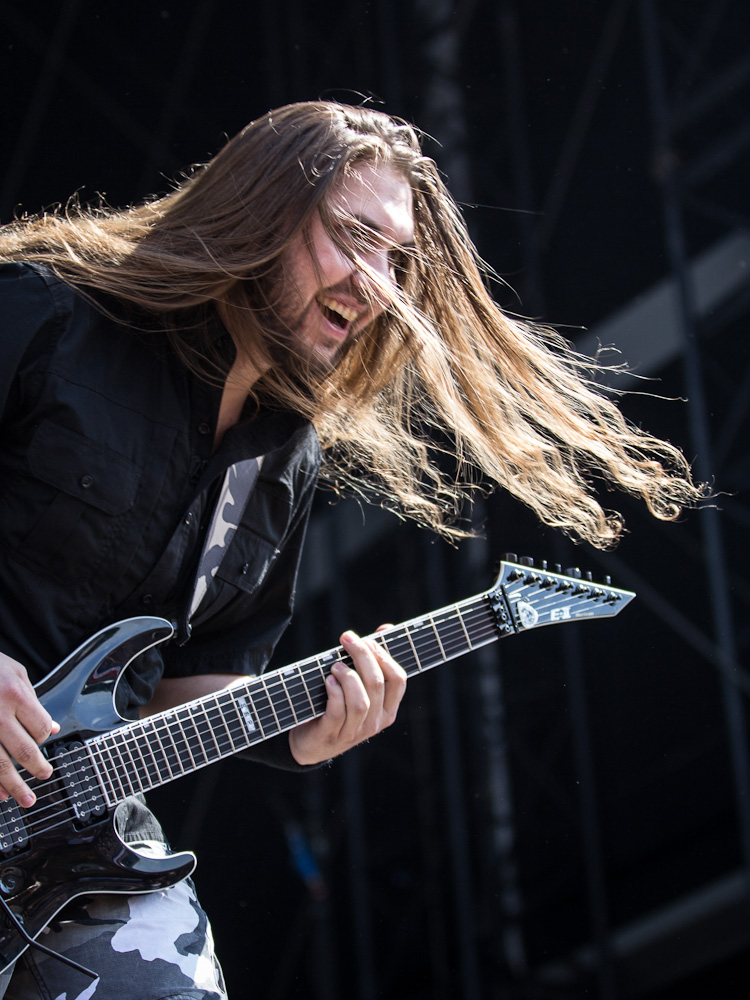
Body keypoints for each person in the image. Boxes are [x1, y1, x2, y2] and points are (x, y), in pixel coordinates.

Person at [0, 101, 704, 998]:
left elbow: (190, 677)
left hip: (78, 844)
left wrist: (307, 727)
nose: (378, 283)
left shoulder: (282, 454)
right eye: (354, 238)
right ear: (260, 207)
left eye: (396, 259)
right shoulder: (47, 314)